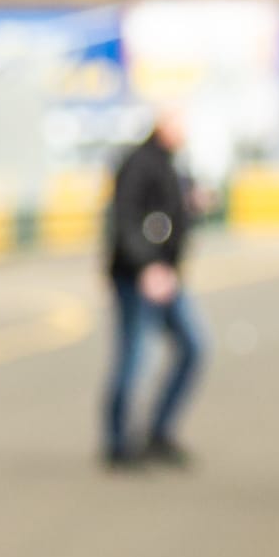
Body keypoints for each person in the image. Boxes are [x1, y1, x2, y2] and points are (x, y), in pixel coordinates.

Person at [101, 109, 204, 468]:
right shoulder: (138, 162)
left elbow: (167, 217)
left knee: (194, 347)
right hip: (139, 277)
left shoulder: (171, 164)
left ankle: (159, 431)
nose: (185, 129)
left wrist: (193, 205)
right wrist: (146, 266)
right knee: (134, 359)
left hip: (166, 276)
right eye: (180, 121)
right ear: (163, 124)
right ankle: (118, 443)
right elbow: (126, 219)